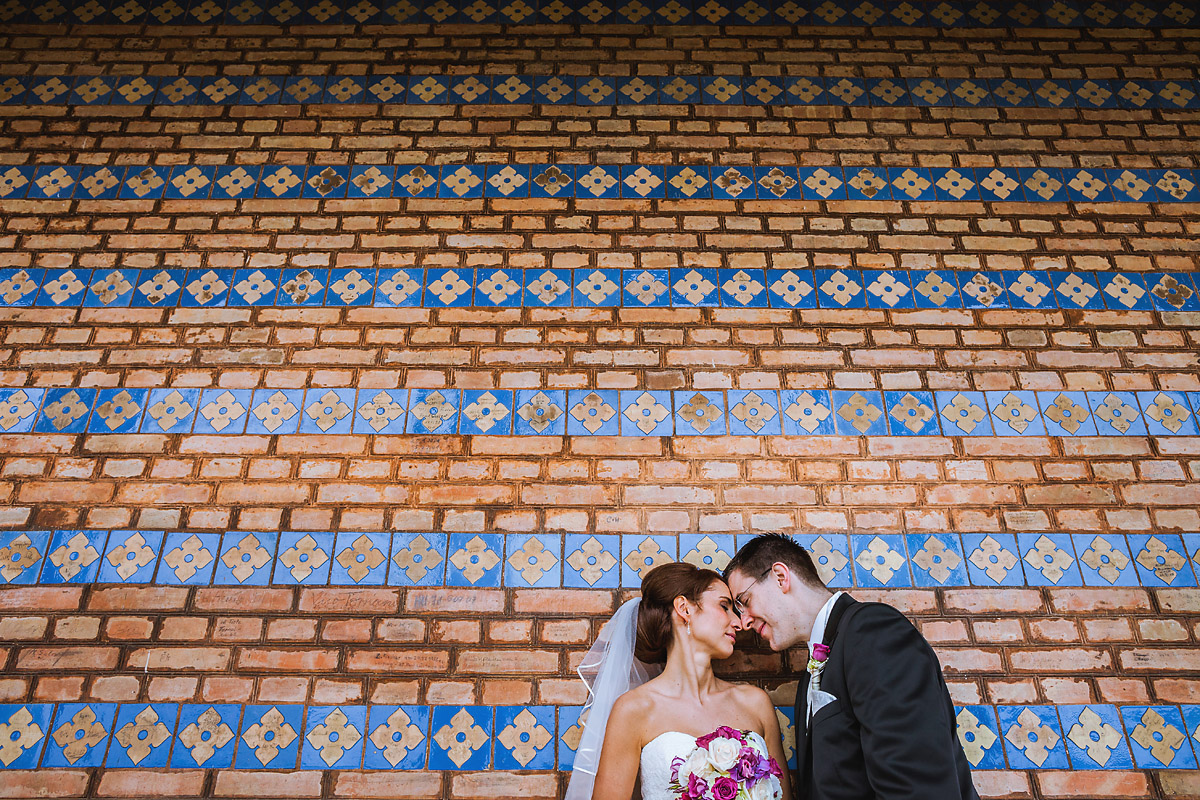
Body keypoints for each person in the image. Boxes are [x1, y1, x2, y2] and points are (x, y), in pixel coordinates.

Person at [723, 533, 980, 800]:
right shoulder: (807, 684)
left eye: (744, 602)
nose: (743, 622)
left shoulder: (873, 631)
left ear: (780, 577)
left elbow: (918, 784)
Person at [566, 561, 790, 800]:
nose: (738, 623)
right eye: (724, 606)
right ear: (684, 609)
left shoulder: (755, 703)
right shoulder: (634, 710)